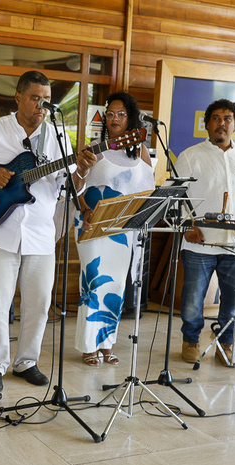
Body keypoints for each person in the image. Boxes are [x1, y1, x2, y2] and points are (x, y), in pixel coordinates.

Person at [0, 70, 94, 397]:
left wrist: (83, 169)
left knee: (39, 303)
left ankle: (27, 362)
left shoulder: (58, 138)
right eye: (34, 98)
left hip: (42, 235)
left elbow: (71, 186)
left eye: (45, 100)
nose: (40, 106)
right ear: (18, 97)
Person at [175, 98, 235, 366]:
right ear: (207, 124)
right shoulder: (190, 156)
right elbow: (177, 197)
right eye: (216, 118)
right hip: (199, 244)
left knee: (232, 300)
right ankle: (191, 339)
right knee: (193, 301)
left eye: (227, 118)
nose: (222, 123)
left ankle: (226, 342)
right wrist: (187, 225)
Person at [73, 91, 153, 366]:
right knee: (93, 282)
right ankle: (88, 346)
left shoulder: (139, 149)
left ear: (130, 118)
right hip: (91, 222)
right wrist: (84, 209)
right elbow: (77, 186)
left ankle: (107, 343)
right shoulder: (93, 147)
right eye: (110, 114)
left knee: (117, 286)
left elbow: (147, 189)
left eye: (121, 114)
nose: (114, 118)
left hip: (122, 227)